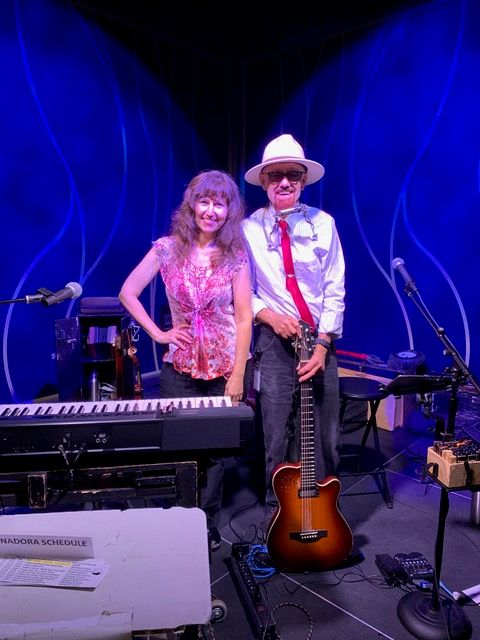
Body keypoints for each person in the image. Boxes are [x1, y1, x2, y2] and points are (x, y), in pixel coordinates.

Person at [119, 170, 253, 551]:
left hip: (223, 369)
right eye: (204, 201)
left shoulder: (235, 257)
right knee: (179, 447)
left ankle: (206, 524)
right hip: (178, 366)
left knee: (214, 452)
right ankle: (180, 522)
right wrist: (159, 334)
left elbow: (245, 318)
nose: (211, 210)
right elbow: (128, 292)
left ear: (229, 210)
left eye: (220, 204)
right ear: (192, 205)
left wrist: (238, 374)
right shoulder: (166, 249)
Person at [242, 134, 345, 517]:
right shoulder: (248, 230)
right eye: (276, 175)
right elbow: (243, 291)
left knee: (325, 433)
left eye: (293, 175)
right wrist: (268, 315)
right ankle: (279, 514)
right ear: (264, 181)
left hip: (319, 340)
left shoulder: (324, 224)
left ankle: (323, 511)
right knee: (276, 433)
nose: (284, 182)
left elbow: (335, 286)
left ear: (303, 180)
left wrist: (322, 344)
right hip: (274, 341)